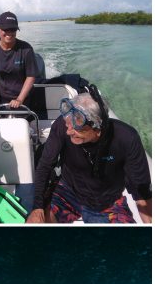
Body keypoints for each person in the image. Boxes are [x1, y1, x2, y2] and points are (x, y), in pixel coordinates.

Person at [26, 89, 152, 223]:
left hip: (108, 202)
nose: (68, 132)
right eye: (67, 124)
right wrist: (37, 207)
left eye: (76, 127)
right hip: (67, 191)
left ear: (98, 126)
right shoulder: (62, 126)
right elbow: (45, 165)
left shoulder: (127, 138)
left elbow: (141, 192)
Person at [0, 11, 38, 122]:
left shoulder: (26, 49)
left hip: (24, 98)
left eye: (13, 29)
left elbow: (31, 76)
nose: (9, 33)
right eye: (6, 29)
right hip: (2, 99)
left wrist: (19, 99)